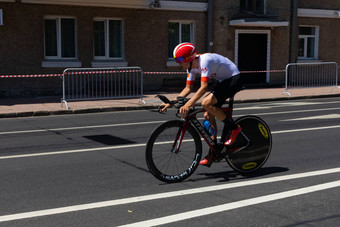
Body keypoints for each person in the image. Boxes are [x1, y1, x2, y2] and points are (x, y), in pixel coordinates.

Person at [160, 42, 243, 167]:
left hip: (233, 79)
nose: (178, 63)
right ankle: (214, 151)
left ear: (188, 58)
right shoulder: (191, 67)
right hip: (223, 81)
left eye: (180, 60)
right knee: (208, 116)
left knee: (206, 102)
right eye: (176, 60)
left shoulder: (204, 61)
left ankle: (234, 128)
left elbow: (204, 88)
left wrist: (188, 104)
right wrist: (170, 102)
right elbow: (188, 89)